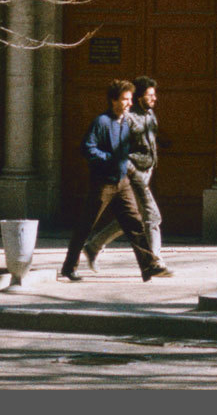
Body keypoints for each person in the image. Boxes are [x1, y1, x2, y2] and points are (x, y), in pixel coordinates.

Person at [61, 79, 172, 282]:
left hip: (123, 183)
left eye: (130, 99)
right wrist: (108, 160)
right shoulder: (101, 122)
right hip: (103, 183)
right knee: (87, 225)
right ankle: (69, 267)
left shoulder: (124, 122)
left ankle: (148, 266)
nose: (129, 103)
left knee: (135, 224)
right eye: (125, 99)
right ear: (113, 100)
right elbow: (88, 148)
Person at [82, 75, 163, 272]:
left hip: (146, 171)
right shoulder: (128, 119)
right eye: (150, 95)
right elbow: (118, 150)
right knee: (152, 217)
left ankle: (94, 246)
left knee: (130, 217)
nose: (154, 99)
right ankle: (154, 262)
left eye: (154, 95)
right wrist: (131, 169)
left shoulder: (150, 115)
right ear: (139, 97)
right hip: (132, 174)